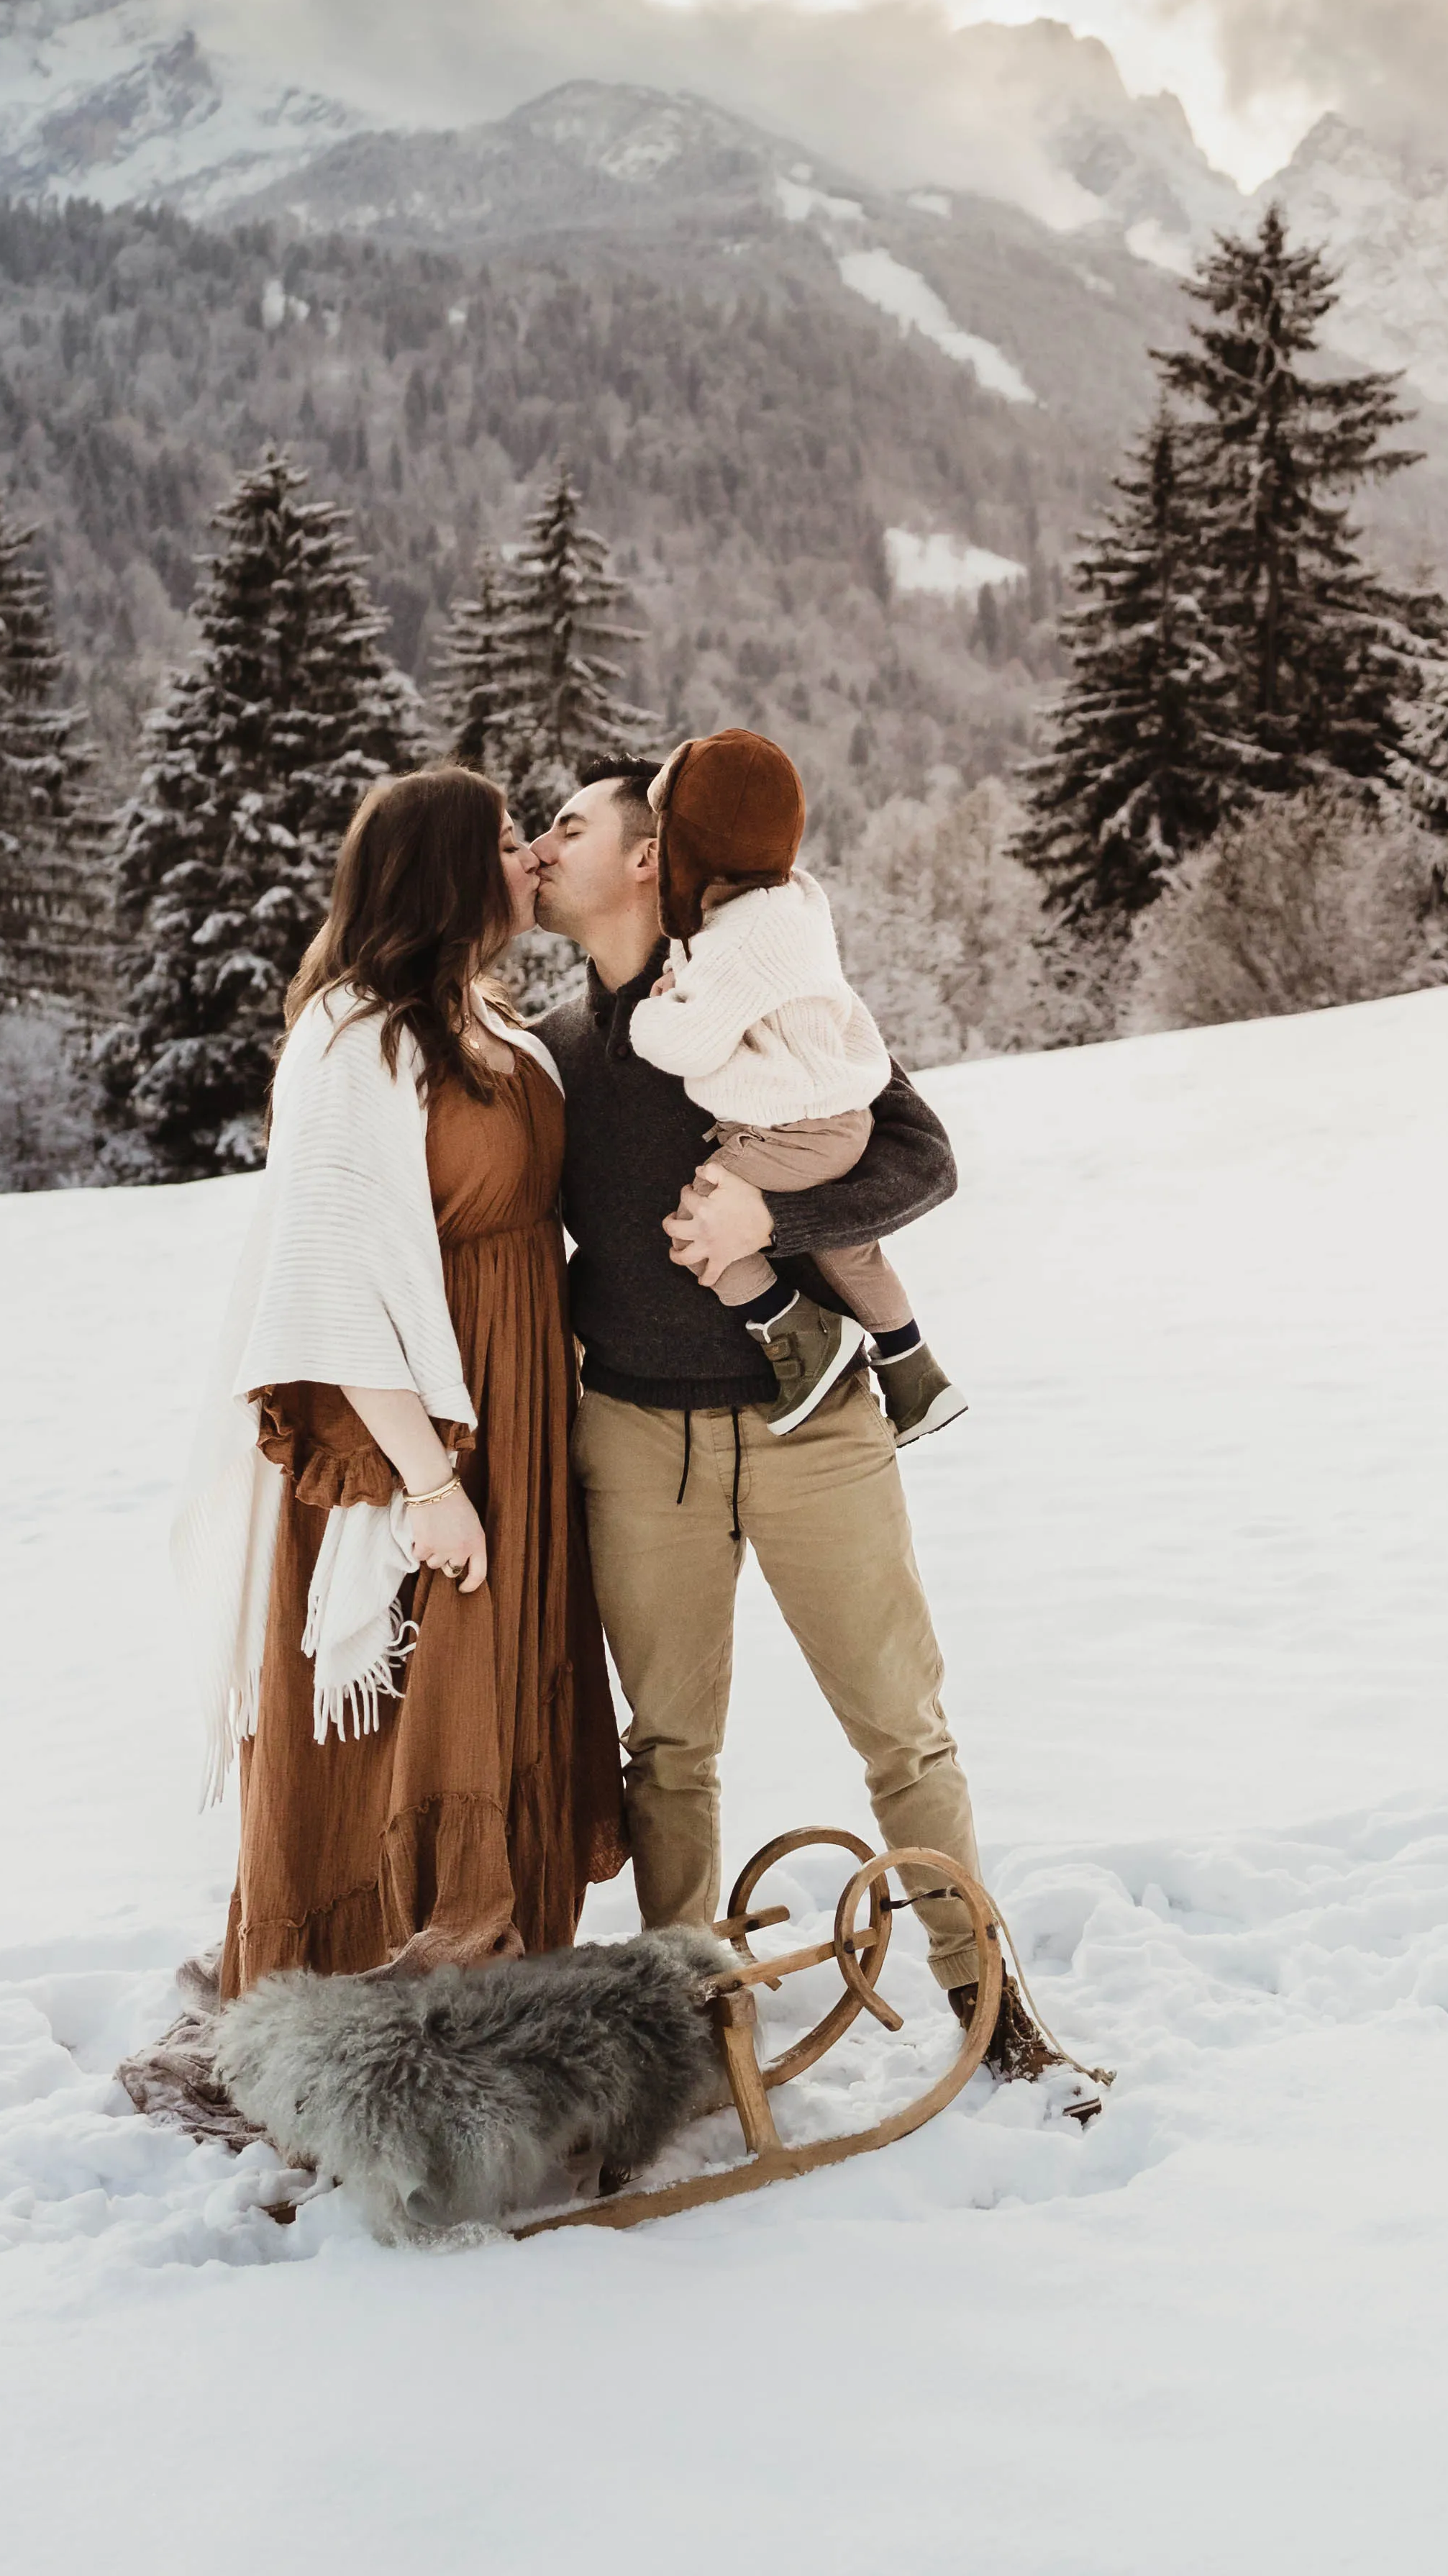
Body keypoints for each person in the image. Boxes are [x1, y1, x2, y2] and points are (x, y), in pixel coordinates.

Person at [529, 756, 1052, 2077]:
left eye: (567, 825)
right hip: (635, 1435)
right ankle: (687, 2037)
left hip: (811, 1424)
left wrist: (778, 1216)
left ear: (647, 859)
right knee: (667, 1754)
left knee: (901, 1725)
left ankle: (991, 2010)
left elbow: (918, 1155)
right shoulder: (555, 1055)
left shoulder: (754, 1003)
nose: (540, 846)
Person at [173, 768, 626, 1999]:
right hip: (424, 1426)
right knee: (422, 1705)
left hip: (521, 1398)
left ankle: (508, 1987)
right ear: (443, 871)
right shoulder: (353, 1036)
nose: (531, 854)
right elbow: (324, 1284)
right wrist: (427, 1480)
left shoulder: (485, 1019)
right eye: (503, 840)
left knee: (507, 1683)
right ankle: (373, 2000)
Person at [629, 727, 965, 1444]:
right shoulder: (793, 900)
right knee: (852, 1248)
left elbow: (685, 1039)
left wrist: (652, 1010)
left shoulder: (740, 938)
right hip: (839, 1118)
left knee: (700, 1224)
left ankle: (801, 1336)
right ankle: (915, 1372)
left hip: (791, 1130)